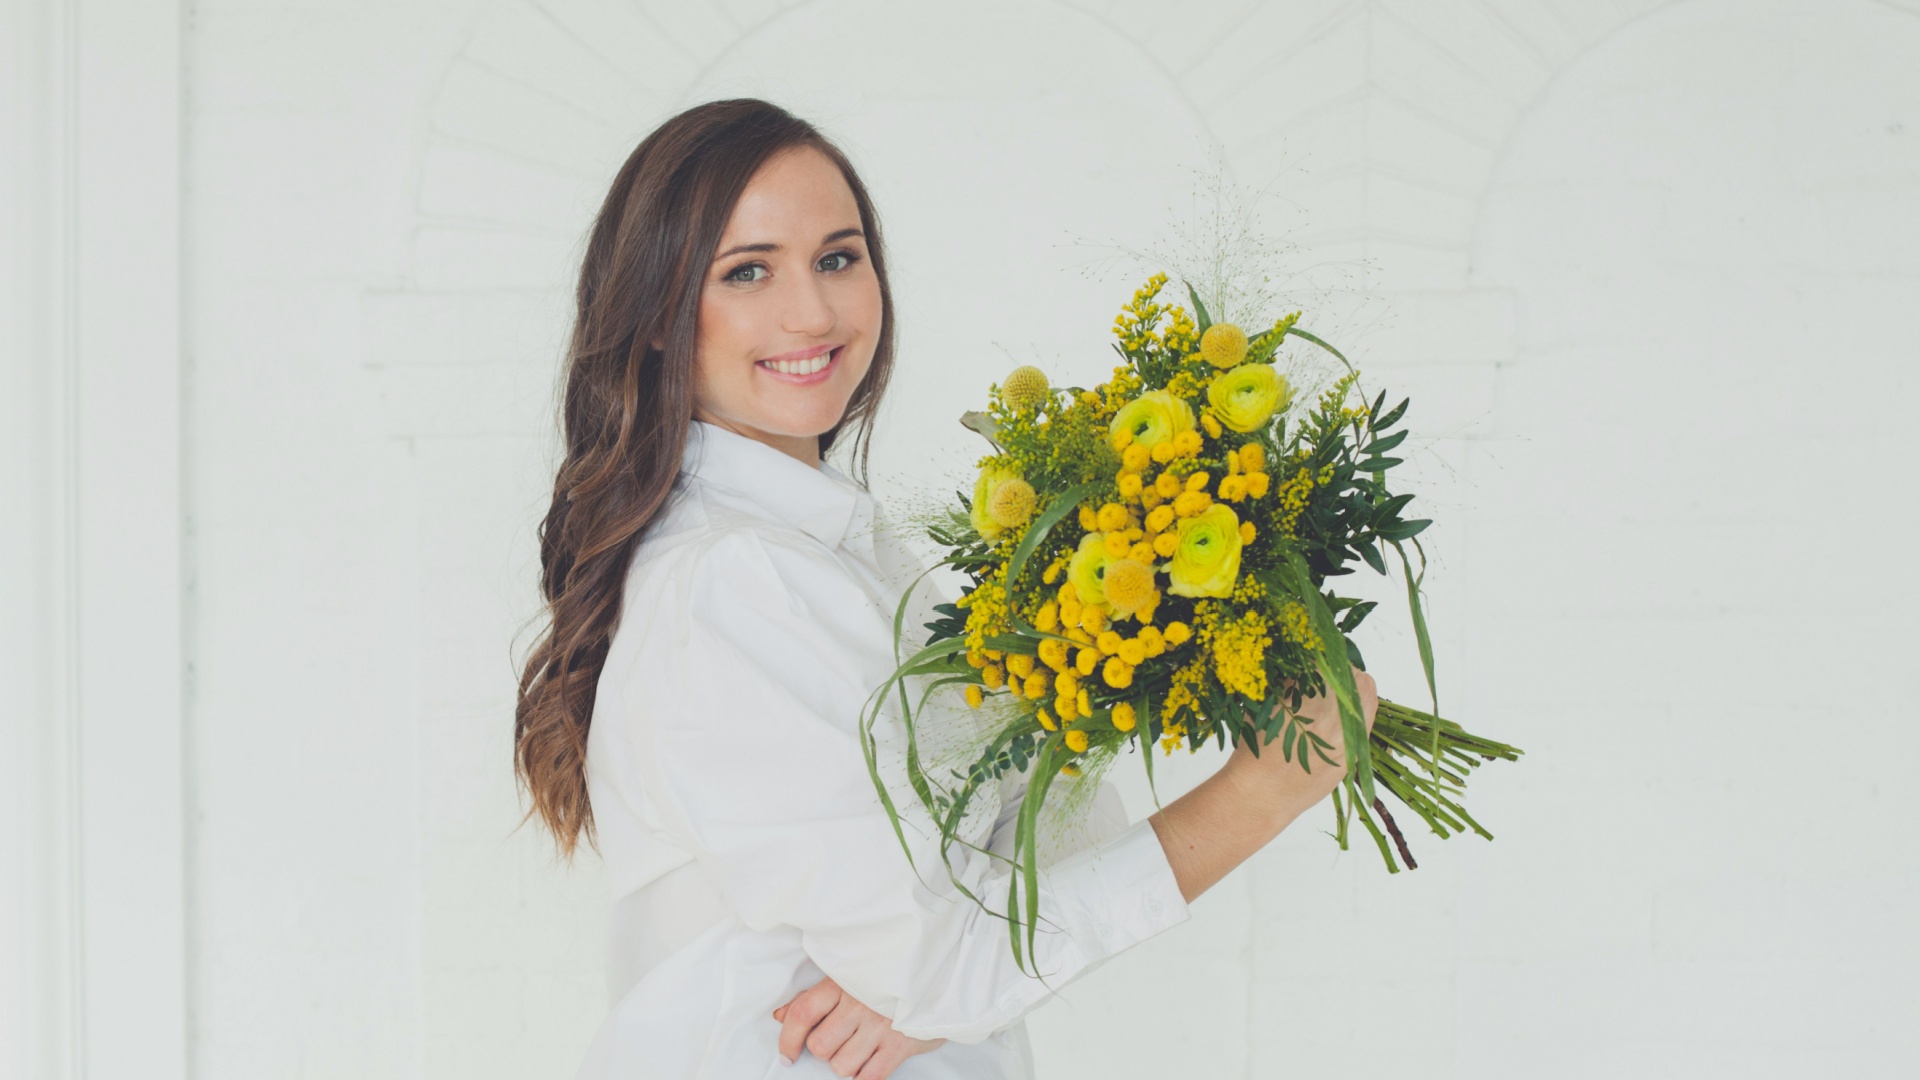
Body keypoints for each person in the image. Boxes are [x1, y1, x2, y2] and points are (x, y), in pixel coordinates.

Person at [512, 98, 1380, 1080]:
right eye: (746, 271)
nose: (813, 311)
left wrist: (930, 974)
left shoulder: (841, 554)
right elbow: (948, 964)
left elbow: (1014, 882)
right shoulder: (737, 583)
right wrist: (1268, 788)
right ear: (656, 316)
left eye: (838, 257)